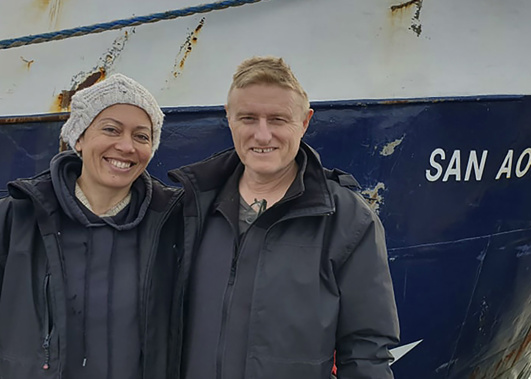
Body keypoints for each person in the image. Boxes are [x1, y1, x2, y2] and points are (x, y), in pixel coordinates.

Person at [170, 56, 400, 379]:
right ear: (229, 118)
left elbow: (366, 352)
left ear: (305, 122)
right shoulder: (192, 207)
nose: (263, 136)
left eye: (278, 119)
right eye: (248, 118)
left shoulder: (347, 221)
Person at [0, 74, 183, 379]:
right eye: (111, 129)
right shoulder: (16, 219)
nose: (126, 146)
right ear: (80, 138)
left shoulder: (173, 224)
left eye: (141, 136)